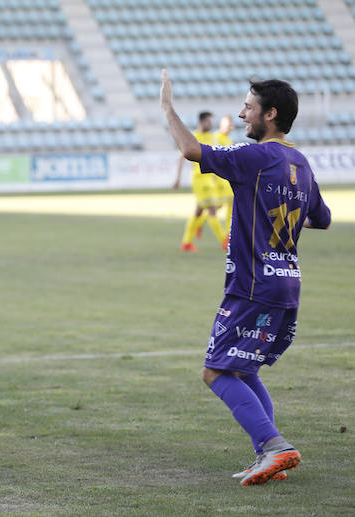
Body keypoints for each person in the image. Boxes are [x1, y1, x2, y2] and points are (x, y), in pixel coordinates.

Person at [161, 70, 331, 485]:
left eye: (249, 108)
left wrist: (166, 106)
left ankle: (275, 446)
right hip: (286, 280)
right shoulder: (300, 162)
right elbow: (320, 219)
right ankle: (267, 457)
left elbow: (189, 149)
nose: (241, 114)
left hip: (253, 284)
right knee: (245, 369)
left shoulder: (255, 157)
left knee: (216, 371)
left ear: (270, 114)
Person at [172, 111, 227, 252]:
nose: (211, 124)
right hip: (200, 180)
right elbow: (181, 157)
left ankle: (186, 243)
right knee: (213, 210)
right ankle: (224, 242)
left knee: (198, 212)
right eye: (208, 121)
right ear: (202, 122)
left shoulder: (213, 138)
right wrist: (177, 178)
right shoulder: (193, 137)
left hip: (211, 180)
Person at [214, 115, 235, 235]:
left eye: (231, 125)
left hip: (227, 178)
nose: (230, 127)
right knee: (216, 206)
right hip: (218, 179)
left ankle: (228, 234)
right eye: (228, 125)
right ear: (221, 124)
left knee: (230, 206)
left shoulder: (229, 139)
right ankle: (201, 222)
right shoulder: (216, 137)